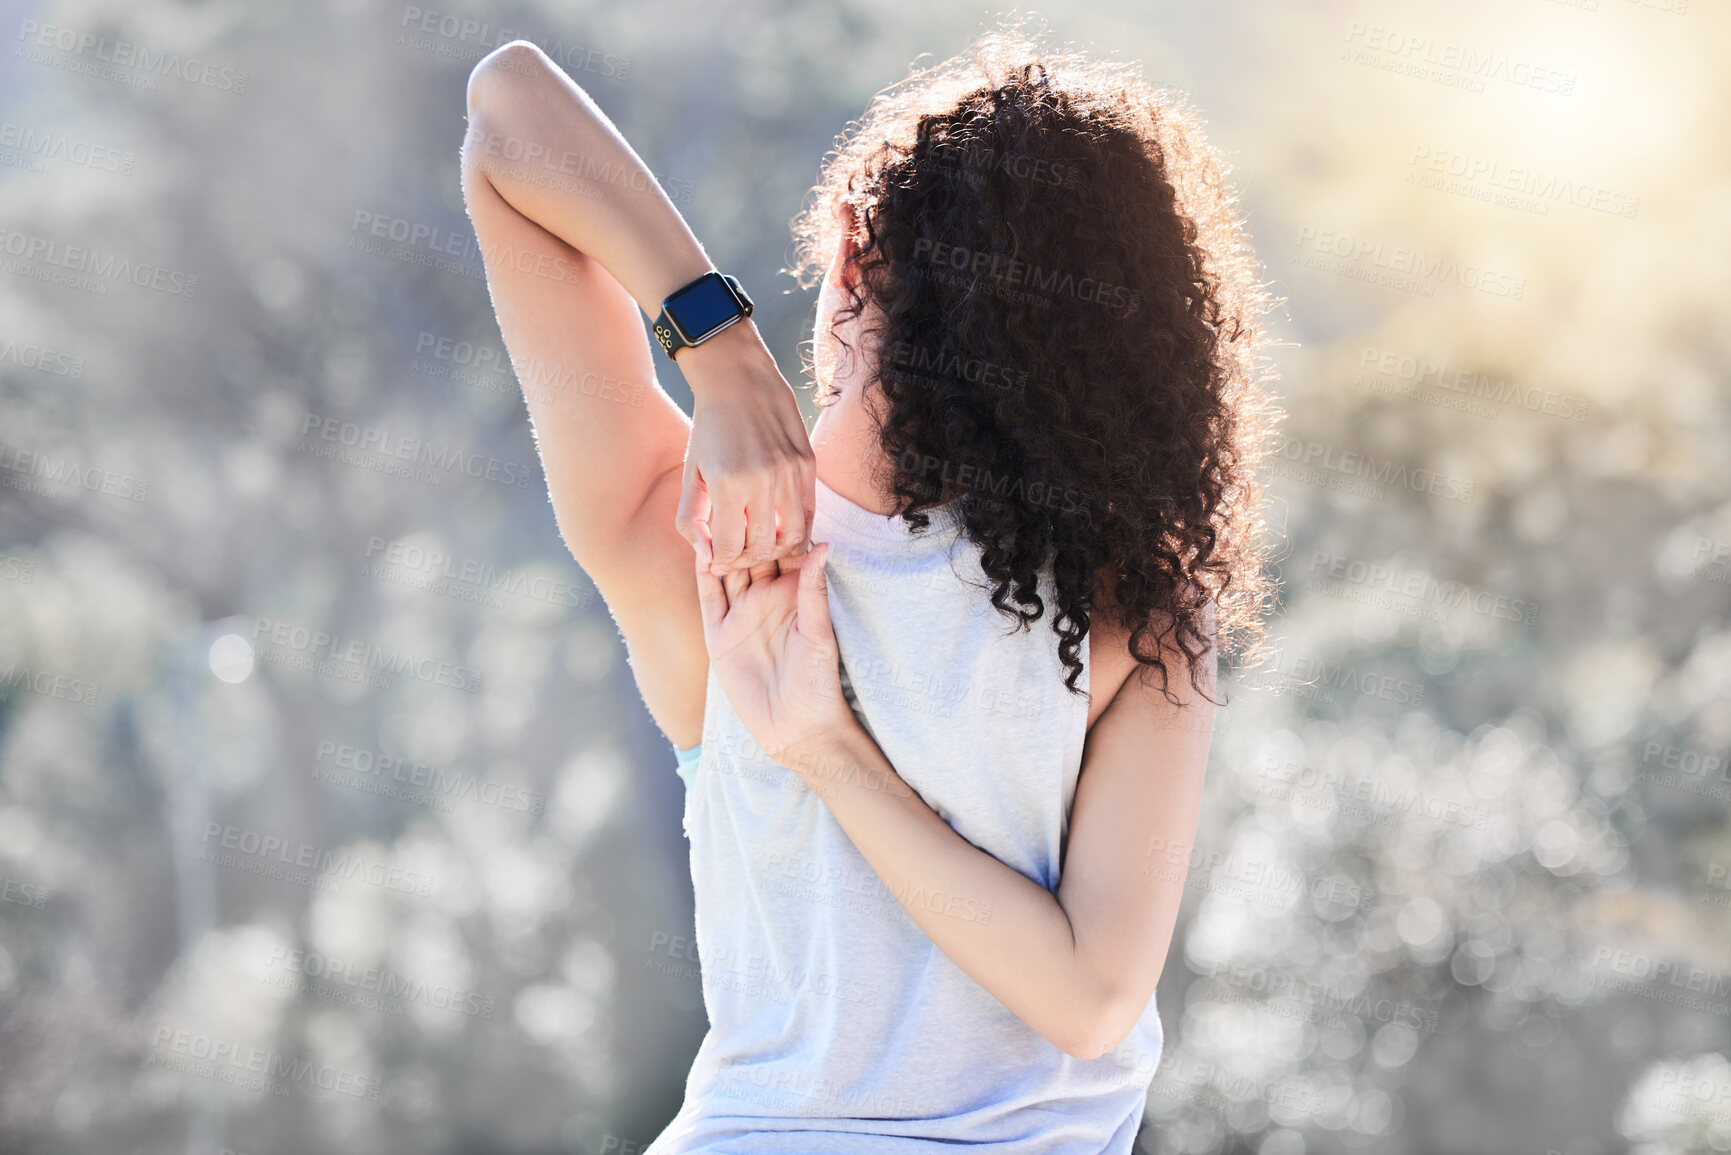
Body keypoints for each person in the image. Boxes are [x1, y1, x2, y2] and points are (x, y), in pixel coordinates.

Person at [460, 20, 1279, 1153]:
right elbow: (1090, 998)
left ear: (848, 251)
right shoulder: (1133, 609)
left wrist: (717, 345)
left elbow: (506, 109)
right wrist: (830, 757)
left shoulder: (701, 542)